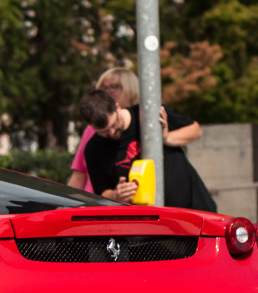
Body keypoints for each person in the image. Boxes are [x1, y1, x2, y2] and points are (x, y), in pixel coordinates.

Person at [78, 89, 216, 211]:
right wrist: (116, 195)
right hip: (151, 228)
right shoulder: (94, 149)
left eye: (114, 124)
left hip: (194, 208)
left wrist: (166, 138)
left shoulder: (147, 115)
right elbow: (101, 193)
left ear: (117, 107)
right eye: (104, 131)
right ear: (91, 126)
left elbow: (196, 131)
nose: (113, 132)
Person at [68, 68, 141, 191]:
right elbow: (80, 173)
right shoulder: (94, 129)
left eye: (113, 86)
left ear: (131, 89)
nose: (107, 92)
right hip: (99, 201)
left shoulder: (144, 120)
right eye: (102, 88)